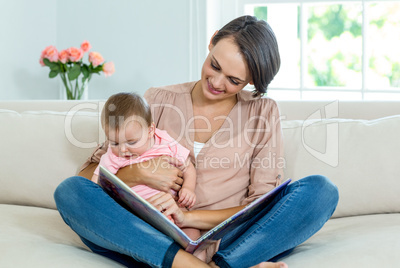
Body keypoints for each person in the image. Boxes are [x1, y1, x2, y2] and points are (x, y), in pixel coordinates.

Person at [54, 15, 339, 268]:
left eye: (233, 80)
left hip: (229, 238)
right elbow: (88, 179)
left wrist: (189, 218)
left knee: (320, 192)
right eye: (214, 65)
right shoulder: (157, 99)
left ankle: (199, 264)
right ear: (212, 42)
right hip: (151, 232)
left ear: (251, 81)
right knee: (70, 192)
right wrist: (136, 173)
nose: (216, 82)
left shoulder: (263, 111)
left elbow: (260, 204)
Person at [91, 92, 205, 261]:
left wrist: (188, 188)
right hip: (136, 214)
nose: (123, 150)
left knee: (193, 234)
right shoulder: (112, 156)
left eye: (131, 142)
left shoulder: (165, 142)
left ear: (150, 130)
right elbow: (96, 186)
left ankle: (191, 261)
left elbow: (187, 166)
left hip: (172, 210)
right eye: (114, 143)